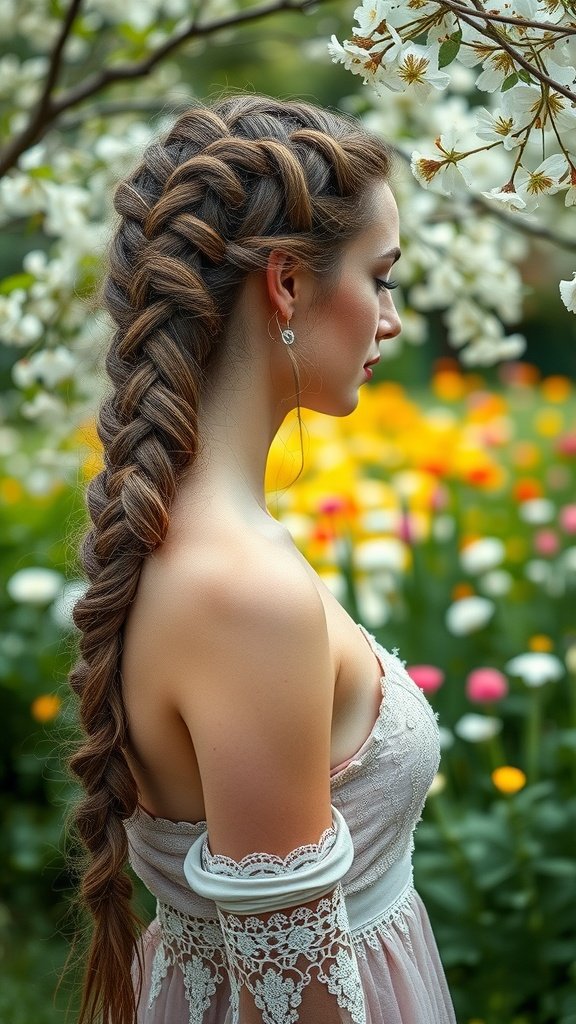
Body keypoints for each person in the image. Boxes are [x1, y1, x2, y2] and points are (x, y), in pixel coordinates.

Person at [68, 94, 456, 1024]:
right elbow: (296, 1000)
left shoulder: (193, 539)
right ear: (286, 282)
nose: (391, 319)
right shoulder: (243, 592)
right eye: (382, 275)